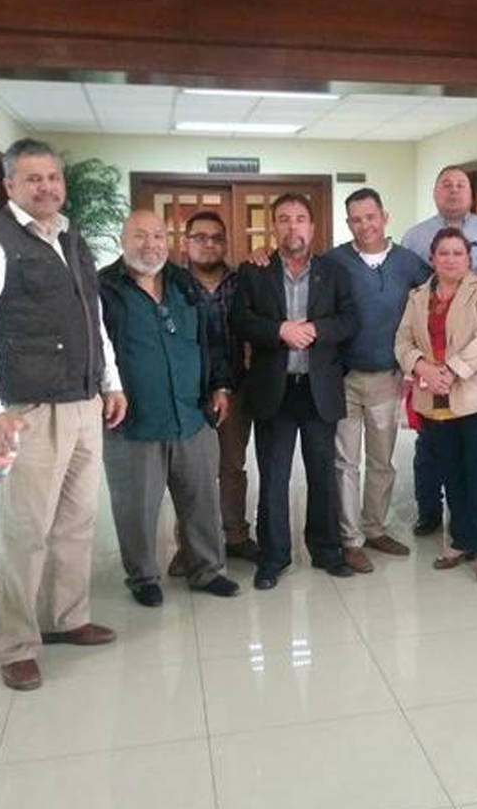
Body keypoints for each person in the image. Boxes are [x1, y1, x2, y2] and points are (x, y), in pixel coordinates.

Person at [0, 138, 125, 691]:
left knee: (76, 521)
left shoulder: (70, 237)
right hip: (27, 410)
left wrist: (111, 381)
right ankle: (16, 645)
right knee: (26, 531)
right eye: (33, 179)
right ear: (9, 185)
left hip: (83, 401)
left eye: (53, 177)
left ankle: (65, 618)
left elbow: (92, 318)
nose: (47, 187)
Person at [98, 210, 240, 606]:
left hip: (191, 414)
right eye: (140, 236)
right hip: (134, 420)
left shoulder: (183, 283)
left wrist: (219, 385)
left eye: (158, 236)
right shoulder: (103, 288)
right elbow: (92, 348)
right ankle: (143, 576)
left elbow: (211, 338)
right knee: (136, 507)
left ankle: (207, 570)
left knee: (201, 500)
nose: (151, 245)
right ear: (122, 241)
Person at [230, 193, 357, 590]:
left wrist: (315, 329)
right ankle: (273, 556)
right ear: (274, 226)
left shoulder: (334, 272)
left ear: (312, 227)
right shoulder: (254, 271)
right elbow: (240, 319)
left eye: (300, 218)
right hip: (275, 390)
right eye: (283, 219)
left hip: (319, 390)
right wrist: (279, 330)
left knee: (323, 474)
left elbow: (350, 319)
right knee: (274, 477)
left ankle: (327, 550)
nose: (292, 226)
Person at [402, 165, 477, 536]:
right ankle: (429, 511)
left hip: (476, 367)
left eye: (461, 184)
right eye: (446, 184)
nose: (454, 190)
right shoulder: (414, 236)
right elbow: (407, 298)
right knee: (433, 449)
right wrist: (418, 364)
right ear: (435, 192)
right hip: (431, 367)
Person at [395, 227, 477, 585]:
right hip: (435, 398)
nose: (450, 259)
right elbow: (402, 340)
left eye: (458, 253)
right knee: (451, 472)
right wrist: (422, 367)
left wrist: (450, 370)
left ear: (468, 258)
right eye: (443, 253)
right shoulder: (417, 296)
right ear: (432, 258)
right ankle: (461, 540)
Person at [324, 187, 431, 572]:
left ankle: (374, 528)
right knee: (345, 462)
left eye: (371, 217)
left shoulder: (409, 263)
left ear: (384, 217)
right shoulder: (334, 262)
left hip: (387, 376)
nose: (364, 225)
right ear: (348, 223)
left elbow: (434, 299)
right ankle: (350, 539)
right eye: (356, 219)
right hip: (342, 378)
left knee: (382, 461)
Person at [168, 211, 261, 576]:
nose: (208, 244)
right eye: (200, 237)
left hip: (236, 388)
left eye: (216, 238)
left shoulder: (242, 282)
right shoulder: (172, 283)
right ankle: (189, 546)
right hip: (187, 393)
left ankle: (236, 535)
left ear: (225, 243)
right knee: (190, 473)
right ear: (186, 242)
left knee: (232, 466)